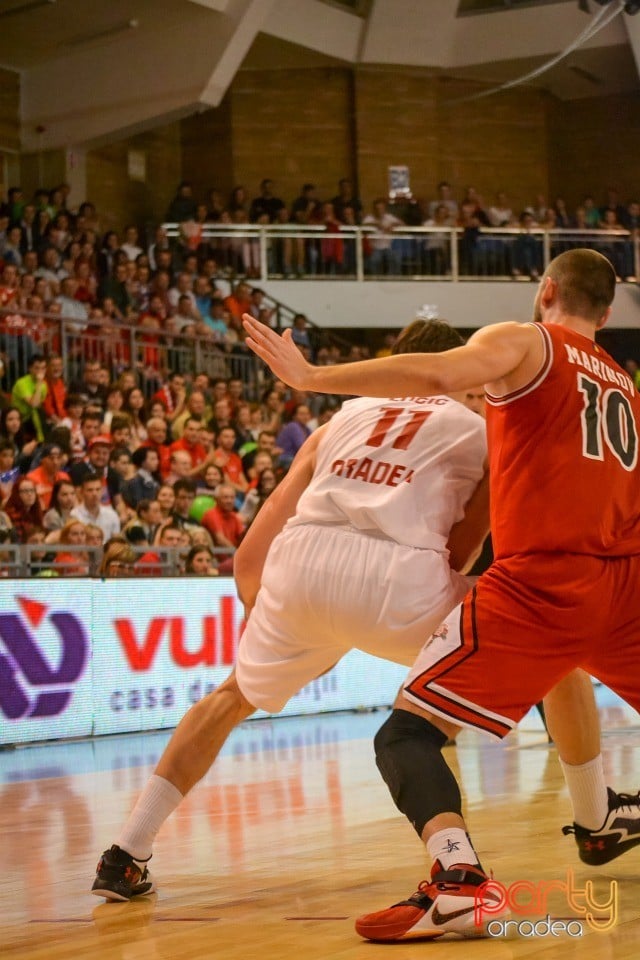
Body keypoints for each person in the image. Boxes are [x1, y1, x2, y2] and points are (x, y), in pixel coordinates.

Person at [242, 249, 640, 940]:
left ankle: (458, 881)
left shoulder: (526, 340)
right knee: (566, 681)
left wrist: (314, 377)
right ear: (607, 316)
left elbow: (438, 372)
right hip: (622, 582)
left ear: (544, 290)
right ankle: (597, 819)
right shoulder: (625, 387)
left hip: (540, 585)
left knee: (406, 737)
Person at [89, 320, 493, 901]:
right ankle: (558, 818)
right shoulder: (479, 430)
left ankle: (125, 853)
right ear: (454, 367)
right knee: (539, 629)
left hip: (301, 563)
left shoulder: (338, 421)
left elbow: (255, 546)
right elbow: (463, 546)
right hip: (401, 576)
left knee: (229, 698)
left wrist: (275, 615)